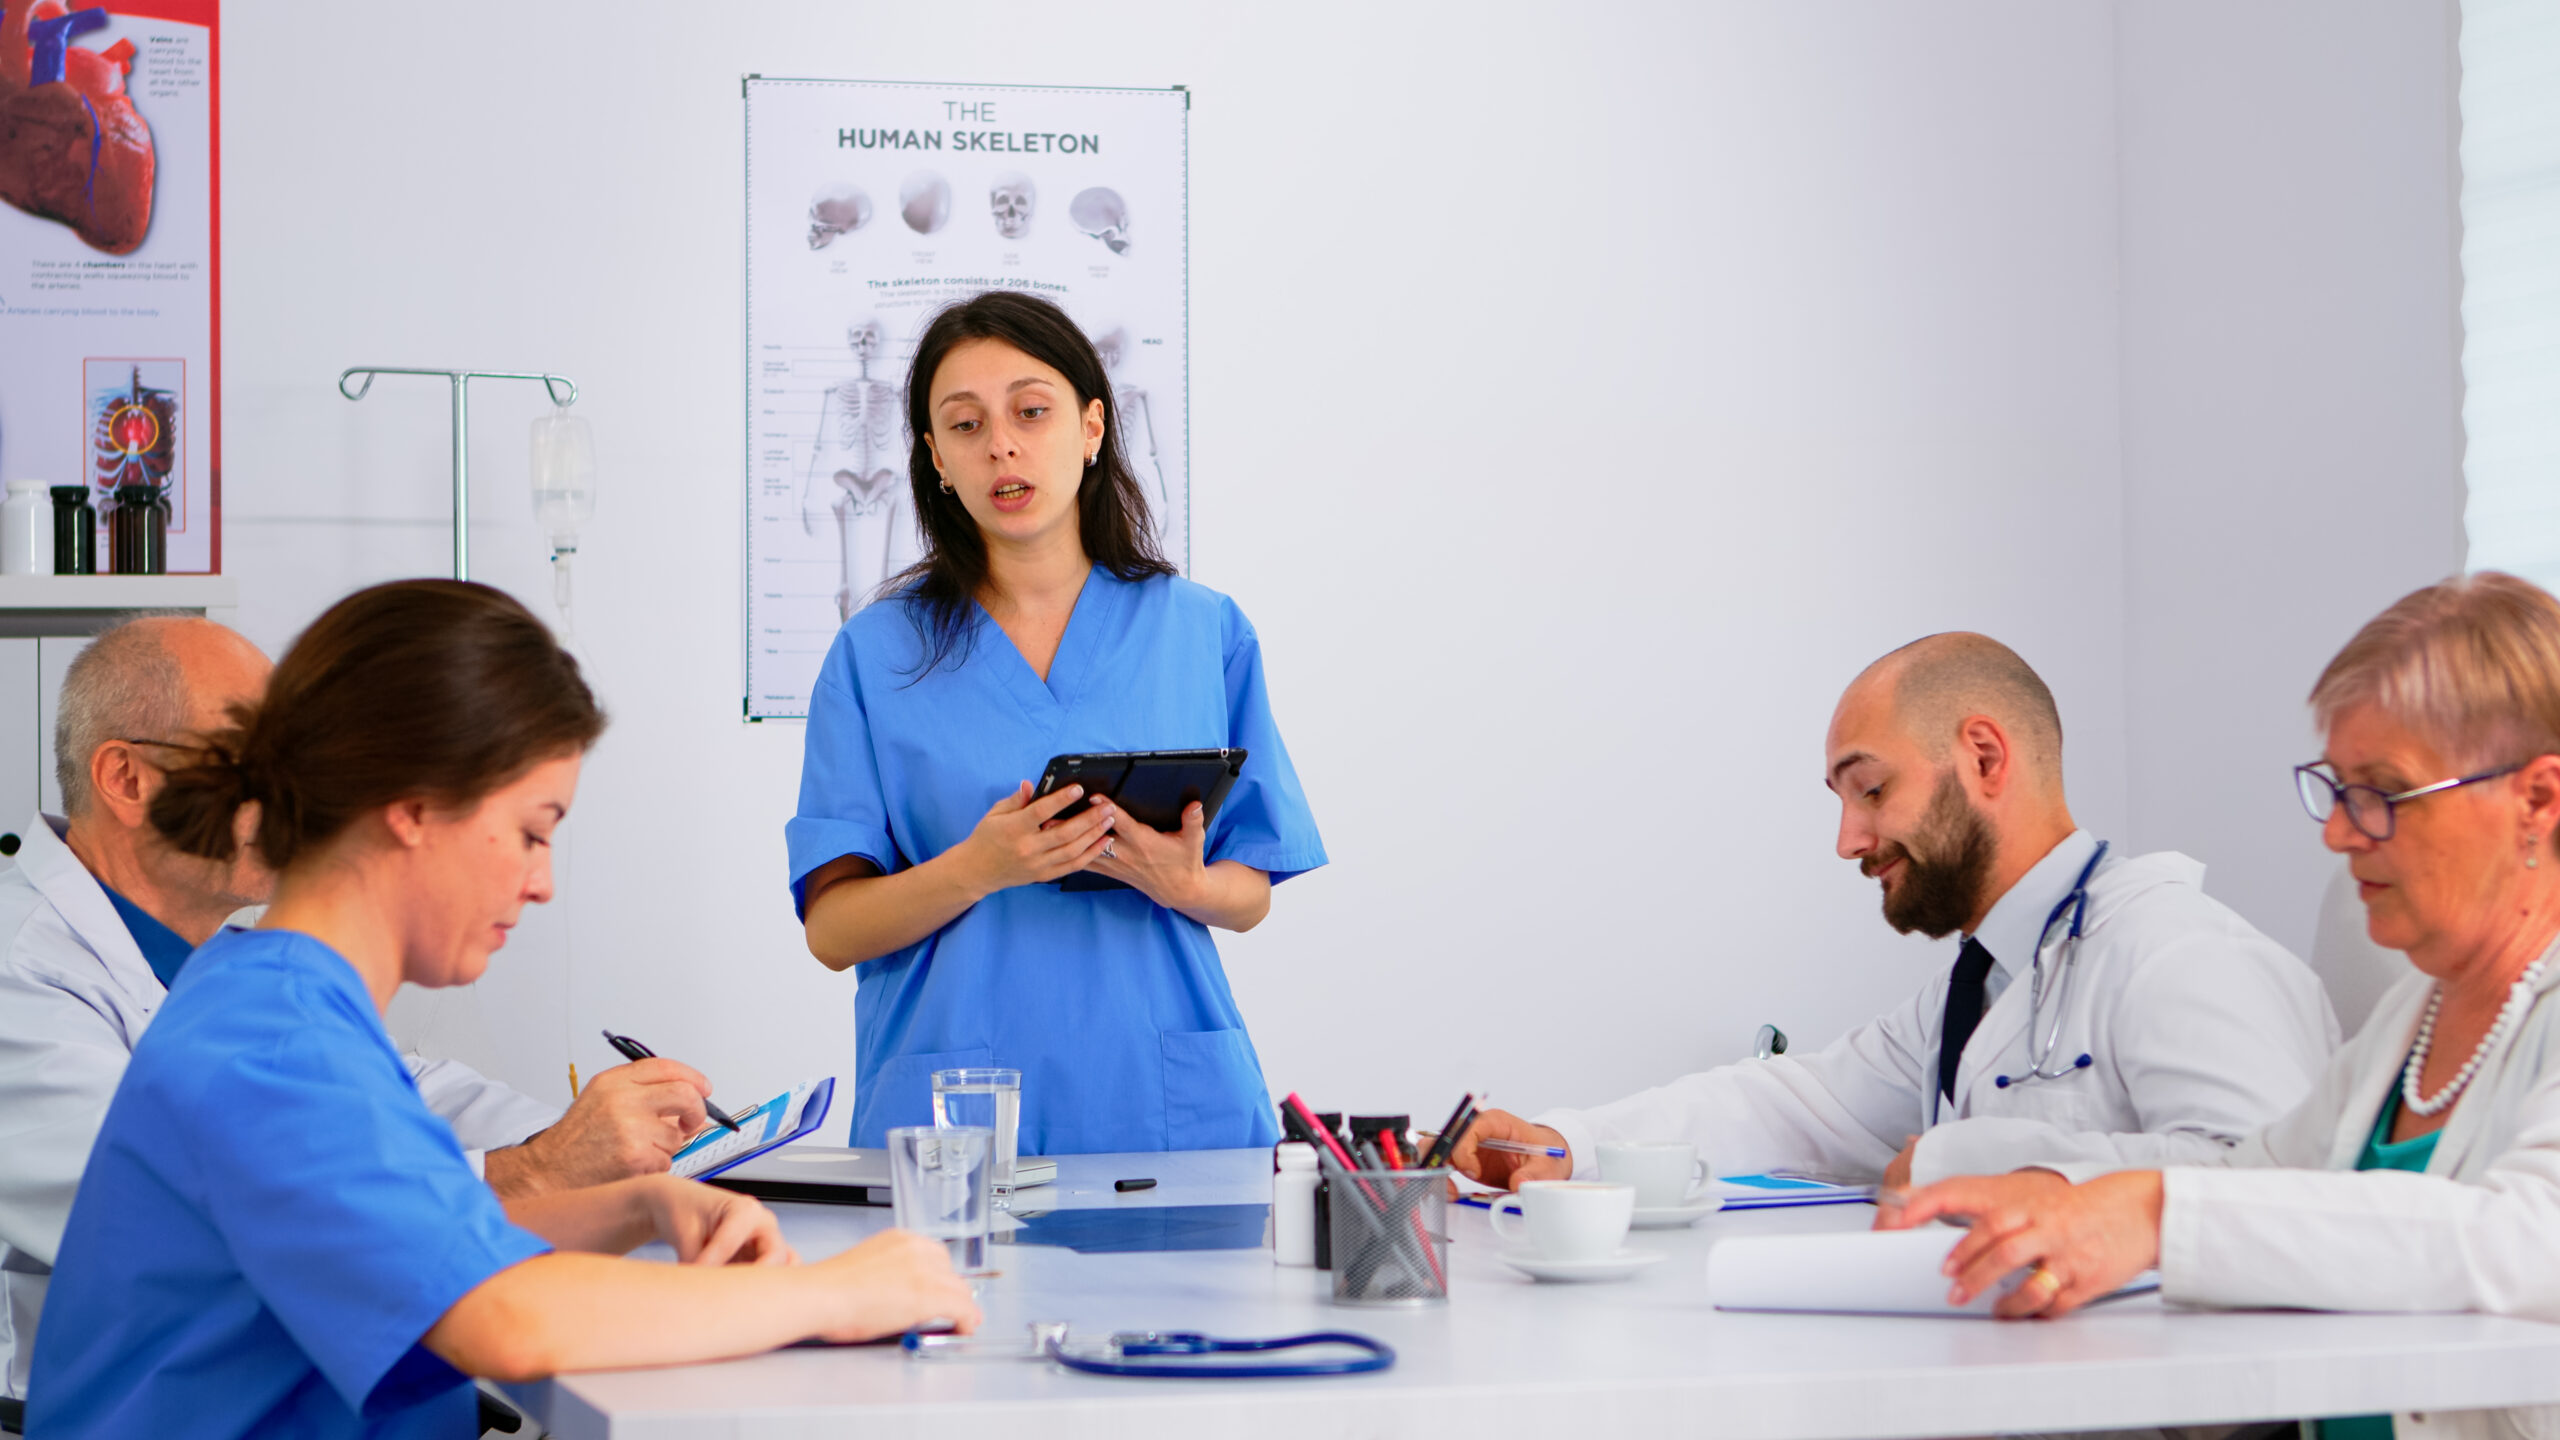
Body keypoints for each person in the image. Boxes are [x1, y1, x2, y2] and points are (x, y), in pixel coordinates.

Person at [27, 582, 976, 1439]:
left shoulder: (279, 1000)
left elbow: (425, 1242)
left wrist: (639, 1206)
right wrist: (839, 1294)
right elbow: (507, 1320)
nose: (542, 882)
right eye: (531, 832)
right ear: (411, 807)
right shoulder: (273, 1044)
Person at [1882, 573, 2560, 1440]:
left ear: (2537, 799)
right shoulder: (2410, 1022)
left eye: (2382, 792)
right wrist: (2051, 1198)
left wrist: (2153, 1215)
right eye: (2335, 788)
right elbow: (2257, 1181)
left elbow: (2525, 1242)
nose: (2337, 832)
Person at [0, 615, 717, 1402]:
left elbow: (391, 1098)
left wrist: (592, 1153)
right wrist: (548, 1170)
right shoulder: (22, 968)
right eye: (252, 762)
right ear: (127, 779)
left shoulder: (228, 957)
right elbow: (225, 1222)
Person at [1457, 633, 2338, 1192]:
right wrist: (1560, 1145)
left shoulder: (2176, 953)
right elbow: (1790, 1105)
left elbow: (2277, 1182)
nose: (1849, 839)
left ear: (1984, 757)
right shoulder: (1983, 984)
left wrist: (1966, 1160)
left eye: (1872, 789)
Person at [790, 291, 1325, 1153]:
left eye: (1031, 411)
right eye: (965, 424)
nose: (1000, 444)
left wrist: (1182, 883)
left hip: (1161, 1101)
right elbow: (832, 931)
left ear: (1092, 427)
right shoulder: (874, 654)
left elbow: (1251, 893)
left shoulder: (1202, 632)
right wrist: (978, 868)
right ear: (936, 458)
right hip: (954, 1115)